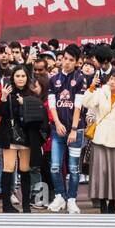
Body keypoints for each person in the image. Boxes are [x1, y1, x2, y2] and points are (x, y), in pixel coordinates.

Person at [0, 64, 48, 214]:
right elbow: (1, 113)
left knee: (25, 170)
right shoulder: (8, 91)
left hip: (27, 135)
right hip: (9, 134)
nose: (20, 79)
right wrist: (4, 98)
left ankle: (26, 205)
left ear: (27, 78)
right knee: (8, 168)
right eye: (17, 76)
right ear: (13, 77)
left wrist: (24, 104)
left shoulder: (32, 94)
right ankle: (6, 205)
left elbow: (38, 115)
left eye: (23, 76)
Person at [80, 67, 115, 213]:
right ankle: (102, 202)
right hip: (100, 137)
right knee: (100, 171)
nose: (112, 82)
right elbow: (86, 102)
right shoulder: (101, 92)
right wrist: (91, 86)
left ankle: (113, 203)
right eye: (111, 78)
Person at [45, 44, 88, 214]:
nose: (67, 63)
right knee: (55, 167)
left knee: (73, 169)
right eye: (65, 59)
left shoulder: (80, 79)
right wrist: (57, 123)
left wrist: (73, 129)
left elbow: (78, 106)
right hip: (57, 131)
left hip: (76, 131)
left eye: (71, 60)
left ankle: (71, 199)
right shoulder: (53, 79)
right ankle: (60, 196)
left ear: (77, 62)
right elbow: (51, 104)